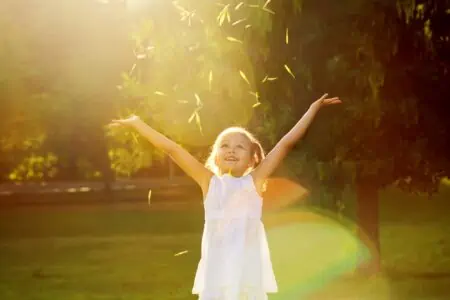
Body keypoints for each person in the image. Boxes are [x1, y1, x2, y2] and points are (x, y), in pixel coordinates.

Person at [110, 93, 341, 299]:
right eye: (225, 145)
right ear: (216, 156)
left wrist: (313, 109)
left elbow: (286, 144)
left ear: (252, 158)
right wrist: (138, 124)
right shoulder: (209, 183)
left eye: (240, 147)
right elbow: (173, 150)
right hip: (217, 277)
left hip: (247, 277)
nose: (231, 149)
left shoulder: (254, 182)